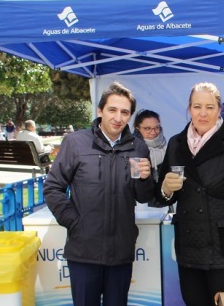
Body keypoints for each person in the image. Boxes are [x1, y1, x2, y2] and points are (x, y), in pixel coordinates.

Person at [44, 82, 155, 306]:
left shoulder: (138, 148)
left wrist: (146, 179)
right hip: (84, 251)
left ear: (130, 116)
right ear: (100, 111)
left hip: (121, 252)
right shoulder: (76, 143)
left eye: (125, 112)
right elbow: (53, 187)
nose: (118, 117)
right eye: (112, 110)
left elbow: (142, 196)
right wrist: (75, 223)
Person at [155, 82, 224, 306]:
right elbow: (165, 195)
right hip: (189, 248)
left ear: (219, 109)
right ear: (189, 108)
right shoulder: (176, 143)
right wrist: (165, 189)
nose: (203, 113)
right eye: (197, 106)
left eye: (209, 107)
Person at [133, 109, 166, 183]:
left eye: (157, 128)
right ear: (138, 128)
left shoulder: (168, 148)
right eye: (147, 128)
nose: (153, 132)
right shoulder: (131, 150)